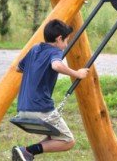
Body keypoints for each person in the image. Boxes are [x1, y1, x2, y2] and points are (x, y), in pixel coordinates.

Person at [12, 19, 89, 161]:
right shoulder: (55, 51)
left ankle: (26, 154)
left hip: (22, 109)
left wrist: (36, 70)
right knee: (68, 141)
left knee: (54, 135)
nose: (65, 45)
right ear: (59, 39)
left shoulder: (35, 49)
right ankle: (28, 151)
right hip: (40, 109)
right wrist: (77, 74)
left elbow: (18, 68)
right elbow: (56, 66)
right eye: (66, 41)